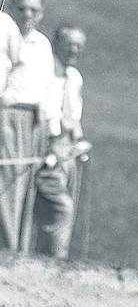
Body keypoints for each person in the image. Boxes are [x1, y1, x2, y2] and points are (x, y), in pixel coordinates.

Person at [0, 0, 55, 253]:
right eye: (21, 8)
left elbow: (46, 89)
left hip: (32, 120)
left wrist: (46, 127)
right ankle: (8, 249)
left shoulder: (42, 44)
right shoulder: (4, 33)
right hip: (7, 115)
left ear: (41, 13)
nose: (27, 15)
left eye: (34, 10)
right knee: (6, 184)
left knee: (23, 185)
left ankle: (19, 250)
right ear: (11, 8)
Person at [33, 25, 88, 259]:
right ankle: (53, 261)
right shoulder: (45, 72)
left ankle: (48, 260)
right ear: (57, 43)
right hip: (47, 148)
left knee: (63, 211)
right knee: (60, 208)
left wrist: (79, 141)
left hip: (68, 153)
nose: (74, 50)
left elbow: (73, 117)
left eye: (79, 45)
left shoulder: (74, 77)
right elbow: (44, 114)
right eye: (69, 44)